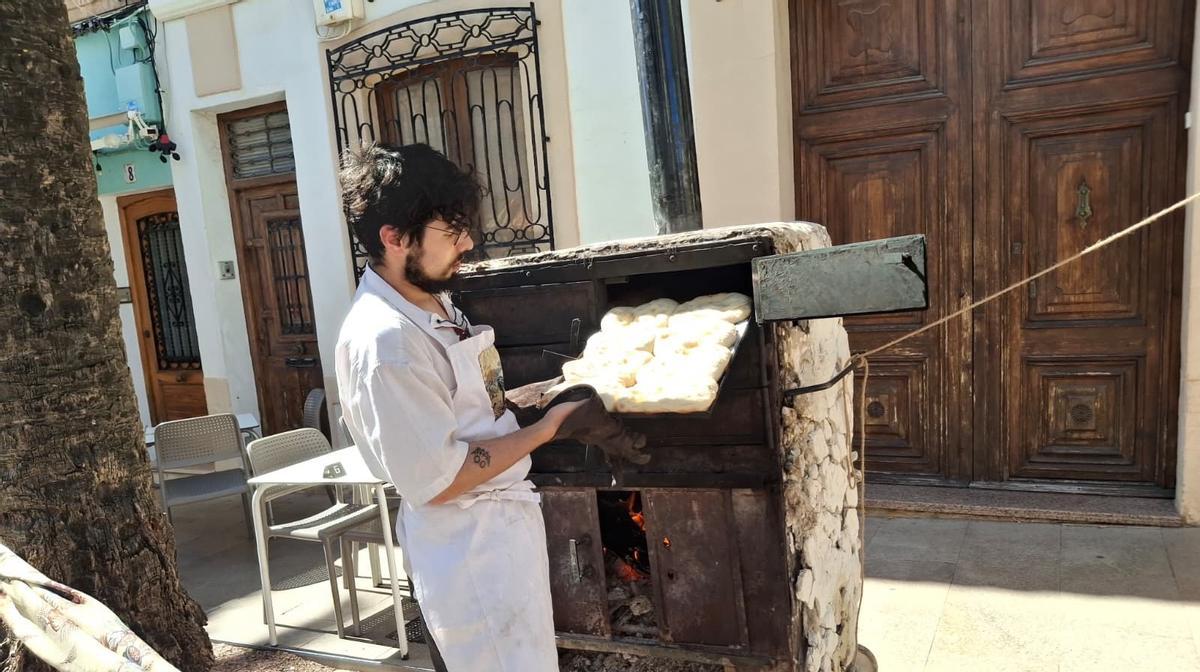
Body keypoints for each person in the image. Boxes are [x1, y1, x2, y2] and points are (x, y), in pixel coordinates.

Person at [334, 143, 585, 672]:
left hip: (501, 533)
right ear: (395, 238)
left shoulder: (431, 299)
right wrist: (548, 430)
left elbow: (465, 406)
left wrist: (540, 395)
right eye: (452, 232)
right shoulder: (386, 343)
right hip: (469, 554)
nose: (467, 242)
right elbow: (440, 478)